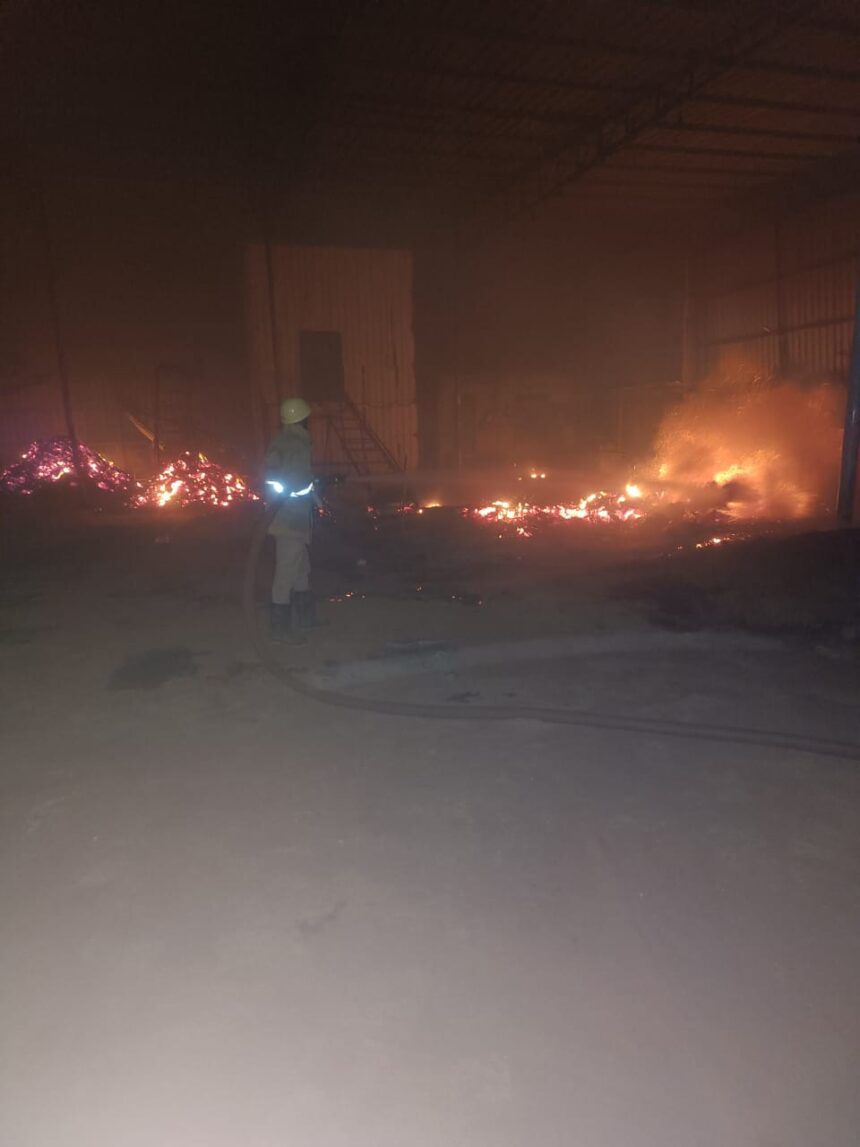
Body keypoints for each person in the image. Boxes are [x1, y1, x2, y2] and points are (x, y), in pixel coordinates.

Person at [264, 396, 317, 642]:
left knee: (301, 568)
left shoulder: (282, 441)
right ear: (302, 419)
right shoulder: (298, 445)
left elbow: (282, 479)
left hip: (287, 515)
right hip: (290, 519)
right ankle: (279, 630)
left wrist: (313, 490)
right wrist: (315, 485)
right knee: (286, 573)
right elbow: (297, 482)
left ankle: (306, 619)